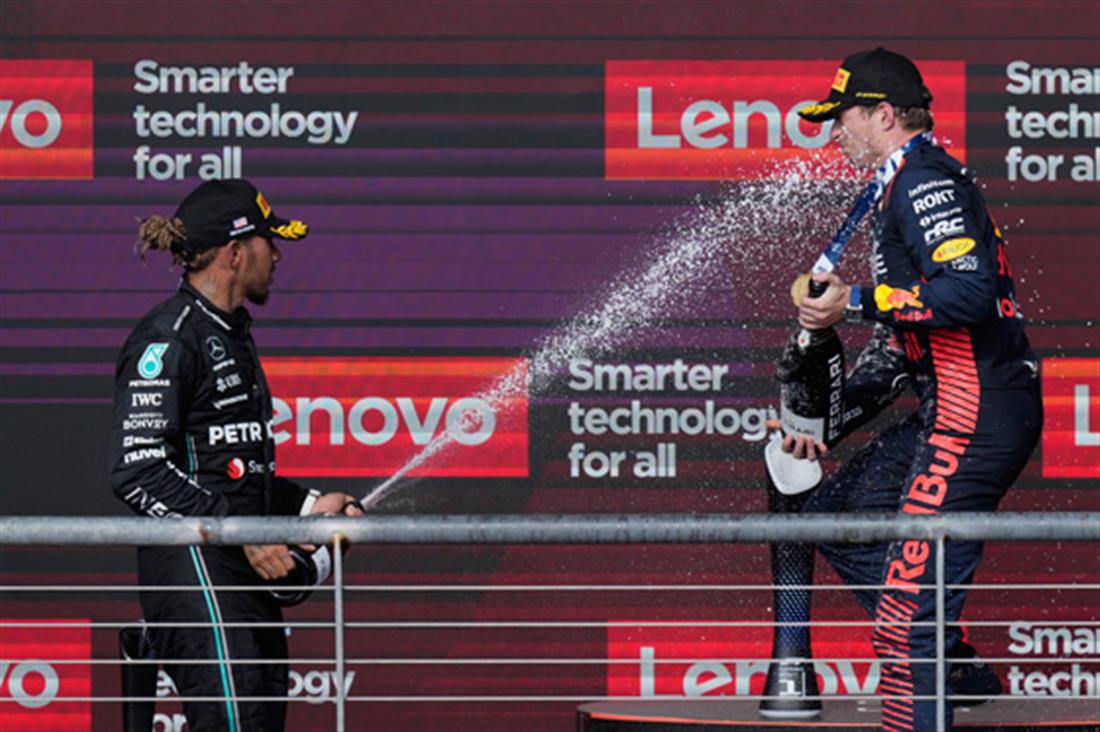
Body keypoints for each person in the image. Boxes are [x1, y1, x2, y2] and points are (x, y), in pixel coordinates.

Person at [777, 48, 1042, 731]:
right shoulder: (896, 183)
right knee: (833, 515)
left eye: (843, 117)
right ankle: (956, 668)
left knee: (904, 627)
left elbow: (968, 294)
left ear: (884, 115)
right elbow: (900, 349)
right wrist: (821, 427)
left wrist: (854, 301)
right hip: (950, 408)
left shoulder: (923, 180)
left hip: (975, 412)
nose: (836, 132)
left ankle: (935, 659)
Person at [110, 179, 364, 731]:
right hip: (197, 576)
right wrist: (240, 532)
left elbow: (233, 472)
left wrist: (309, 506)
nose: (278, 255)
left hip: (240, 577)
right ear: (235, 252)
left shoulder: (231, 334)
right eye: (270, 241)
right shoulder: (168, 338)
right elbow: (138, 469)